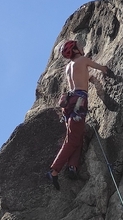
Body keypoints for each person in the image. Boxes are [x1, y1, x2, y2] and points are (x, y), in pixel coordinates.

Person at [46, 40, 108, 189]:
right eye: (79, 46)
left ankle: (72, 167)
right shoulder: (83, 60)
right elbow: (101, 68)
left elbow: (79, 79)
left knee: (76, 136)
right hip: (79, 102)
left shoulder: (68, 67)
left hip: (69, 103)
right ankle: (54, 171)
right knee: (72, 140)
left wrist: (89, 78)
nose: (82, 47)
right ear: (75, 51)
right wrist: (107, 71)